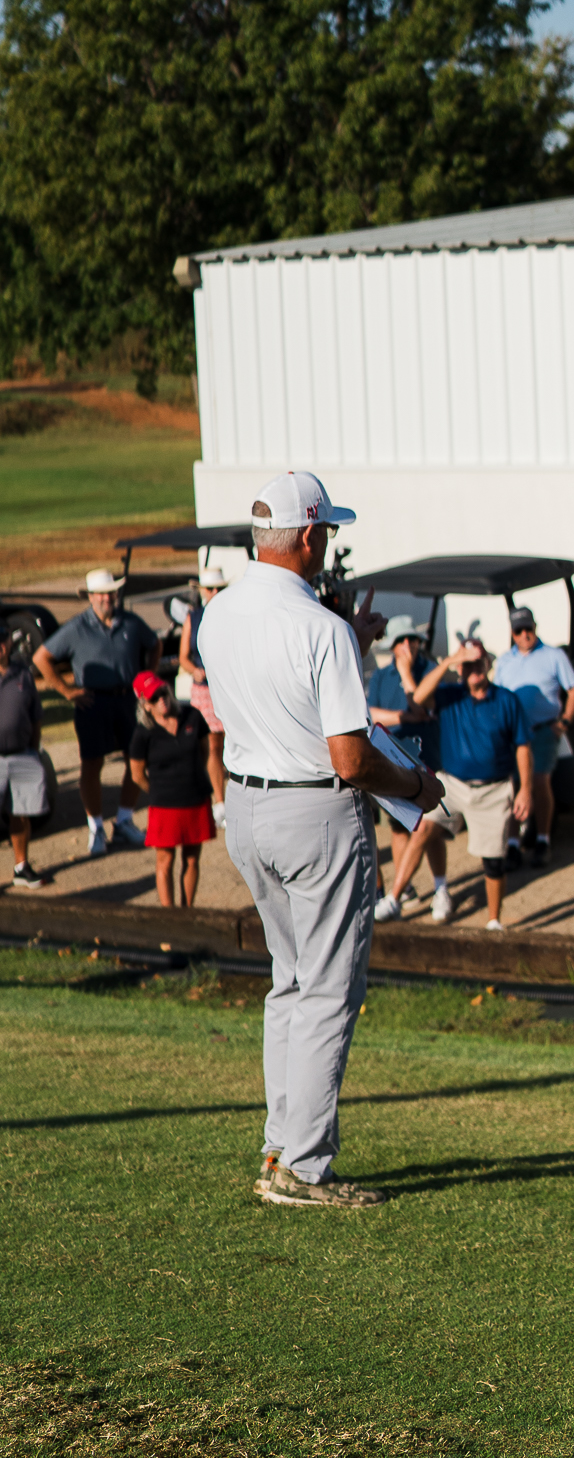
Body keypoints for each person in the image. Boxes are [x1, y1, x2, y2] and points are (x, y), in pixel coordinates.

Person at [199, 471, 442, 1209]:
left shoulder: (218, 612)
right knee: (329, 989)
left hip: (248, 805)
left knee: (292, 981)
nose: (328, 543)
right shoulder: (322, 629)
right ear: (309, 536)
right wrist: (415, 787)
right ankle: (302, 1166)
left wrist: (350, 642)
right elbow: (350, 758)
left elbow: (274, 695)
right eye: (327, 532)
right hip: (314, 812)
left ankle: (282, 1144)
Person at [393, 639, 533, 928]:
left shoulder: (507, 700)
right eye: (467, 664)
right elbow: (417, 699)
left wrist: (526, 790)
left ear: (488, 664)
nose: (473, 669)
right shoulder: (450, 695)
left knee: (493, 861)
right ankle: (393, 899)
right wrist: (448, 661)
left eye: (478, 662)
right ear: (460, 668)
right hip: (452, 784)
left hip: (494, 788)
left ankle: (494, 921)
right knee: (422, 829)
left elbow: (523, 746)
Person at [34, 569, 158, 857]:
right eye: (100, 594)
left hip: (128, 700)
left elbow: (155, 645)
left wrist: (148, 679)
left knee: (136, 760)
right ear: (90, 597)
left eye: (110, 593)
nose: (106, 598)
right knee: (92, 765)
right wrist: (66, 691)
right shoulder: (77, 627)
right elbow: (41, 657)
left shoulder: (131, 622)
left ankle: (124, 820)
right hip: (92, 703)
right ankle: (96, 827)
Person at [367, 615, 450, 922]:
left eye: (411, 640)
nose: (407, 646)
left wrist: (405, 673)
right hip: (395, 760)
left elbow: (422, 707)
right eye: (400, 641)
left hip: (428, 759)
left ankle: (440, 887)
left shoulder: (429, 670)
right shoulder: (381, 675)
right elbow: (372, 713)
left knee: (430, 827)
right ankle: (405, 890)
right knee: (400, 826)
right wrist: (403, 717)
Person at [494, 606, 574, 867]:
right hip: (513, 734)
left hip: (543, 730)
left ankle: (543, 840)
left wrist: (564, 722)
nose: (524, 635)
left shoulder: (553, 656)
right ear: (512, 633)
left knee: (539, 781)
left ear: (535, 627)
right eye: (518, 631)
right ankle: (512, 843)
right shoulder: (504, 661)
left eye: (528, 629)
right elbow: (498, 697)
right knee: (512, 786)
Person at [128, 672, 214, 908]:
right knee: (165, 861)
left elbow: (204, 751)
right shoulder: (142, 733)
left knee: (192, 859)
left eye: (163, 692)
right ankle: (169, 917)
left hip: (196, 798)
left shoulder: (192, 716)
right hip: (165, 805)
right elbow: (137, 774)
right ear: (145, 705)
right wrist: (158, 791)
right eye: (153, 698)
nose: (161, 699)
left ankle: (187, 912)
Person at [177, 566, 229, 823]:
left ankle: (224, 798)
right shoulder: (194, 617)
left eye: (219, 588)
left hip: (227, 686)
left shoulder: (233, 614)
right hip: (206, 687)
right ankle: (219, 801)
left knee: (226, 743)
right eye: (211, 588)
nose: (215, 592)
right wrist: (195, 670)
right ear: (203, 591)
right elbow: (183, 657)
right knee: (212, 744)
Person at [0, 639, 51, 890]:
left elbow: (36, 716)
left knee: (20, 812)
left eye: (2, 639)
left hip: (22, 753)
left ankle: (21, 867)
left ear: (9, 643)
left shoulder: (23, 674)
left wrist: (33, 749)